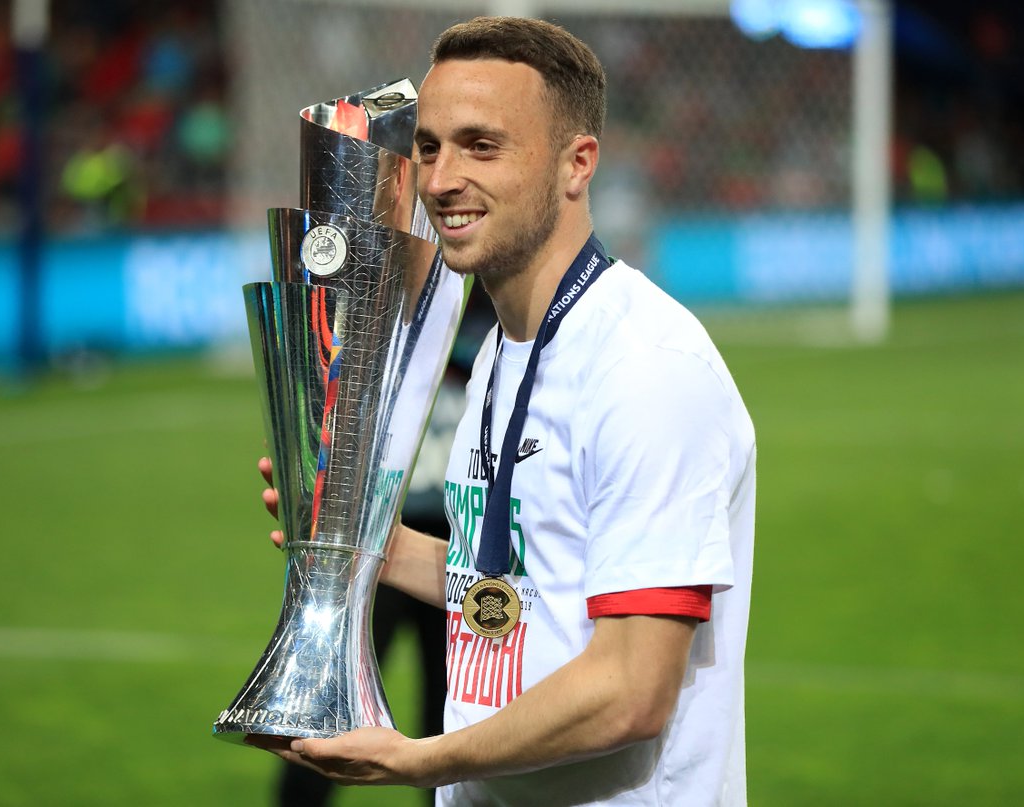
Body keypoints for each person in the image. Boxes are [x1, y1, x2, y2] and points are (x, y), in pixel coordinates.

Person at [261, 16, 756, 806]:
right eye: (429, 147)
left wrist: (422, 759)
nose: (440, 180)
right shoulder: (502, 349)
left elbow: (631, 688)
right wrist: (370, 543)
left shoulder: (646, 368)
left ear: (576, 163)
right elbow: (516, 588)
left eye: (481, 146)